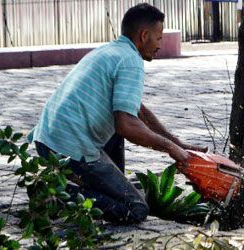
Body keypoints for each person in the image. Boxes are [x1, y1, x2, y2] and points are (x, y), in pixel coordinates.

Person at [27, 3, 206, 224]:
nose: (160, 45)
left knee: (120, 122)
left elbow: (137, 111)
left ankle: (105, 185)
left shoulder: (111, 50)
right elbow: (126, 126)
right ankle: (52, 196)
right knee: (136, 208)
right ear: (143, 35)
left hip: (47, 140)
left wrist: (178, 142)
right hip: (67, 150)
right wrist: (170, 149)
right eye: (158, 38)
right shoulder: (131, 61)